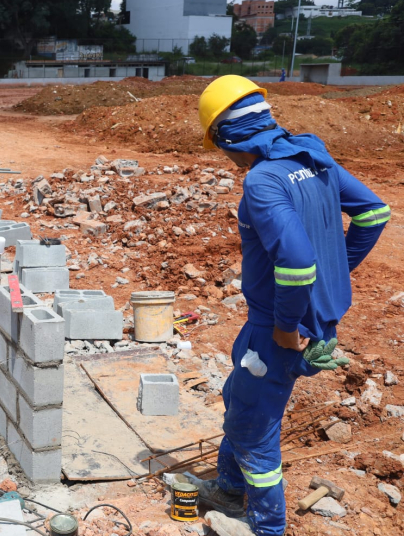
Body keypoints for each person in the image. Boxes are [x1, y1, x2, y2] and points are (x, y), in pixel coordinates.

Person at [196, 75, 390, 535]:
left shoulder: (262, 180)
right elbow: (374, 213)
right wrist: (335, 270)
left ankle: (266, 527)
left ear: (228, 140)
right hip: (320, 322)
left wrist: (285, 325)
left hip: (278, 330)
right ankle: (227, 488)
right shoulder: (311, 157)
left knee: (253, 430)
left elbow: (298, 263)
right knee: (239, 398)